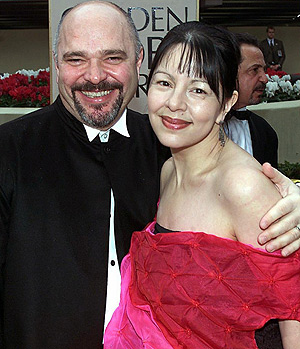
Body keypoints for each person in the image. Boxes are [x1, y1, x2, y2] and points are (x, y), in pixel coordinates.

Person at [0, 1, 299, 349]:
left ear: (138, 60)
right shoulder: (9, 152)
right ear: (56, 63)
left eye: (113, 57)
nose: (95, 76)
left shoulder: (166, 144)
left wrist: (290, 204)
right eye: (76, 59)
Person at [104, 21, 300, 349]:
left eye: (198, 89)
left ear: (226, 103)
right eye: (164, 82)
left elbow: (293, 304)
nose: (175, 103)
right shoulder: (167, 172)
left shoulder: (241, 185)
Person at [225, 32, 278, 168]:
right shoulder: (198, 129)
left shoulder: (266, 133)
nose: (265, 79)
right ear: (228, 73)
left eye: (264, 69)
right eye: (255, 70)